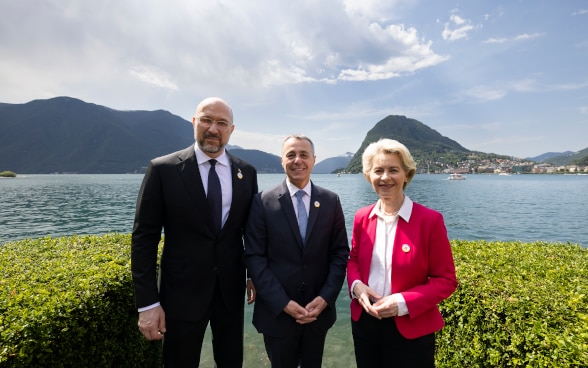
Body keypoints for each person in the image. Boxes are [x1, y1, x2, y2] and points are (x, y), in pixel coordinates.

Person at [131, 97, 258, 367]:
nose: (213, 128)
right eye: (206, 120)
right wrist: (147, 304)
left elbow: (252, 231)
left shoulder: (246, 173)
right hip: (180, 297)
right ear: (194, 122)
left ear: (231, 130)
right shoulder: (163, 170)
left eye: (221, 123)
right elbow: (144, 240)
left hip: (230, 294)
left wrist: (254, 274)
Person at [347, 138, 457, 368]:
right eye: (378, 170)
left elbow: (445, 281)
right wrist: (357, 286)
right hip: (365, 324)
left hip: (412, 328)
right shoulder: (361, 217)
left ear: (407, 175)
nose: (385, 177)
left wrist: (402, 301)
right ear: (369, 176)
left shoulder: (430, 220)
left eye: (393, 170)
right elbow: (354, 260)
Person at [243, 135, 349, 368]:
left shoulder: (331, 201)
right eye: (291, 155)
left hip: (317, 313)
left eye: (304, 154)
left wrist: (325, 299)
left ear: (314, 160)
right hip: (277, 314)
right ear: (282, 160)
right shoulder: (262, 202)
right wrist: (283, 303)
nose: (297, 160)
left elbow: (340, 253)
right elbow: (254, 256)